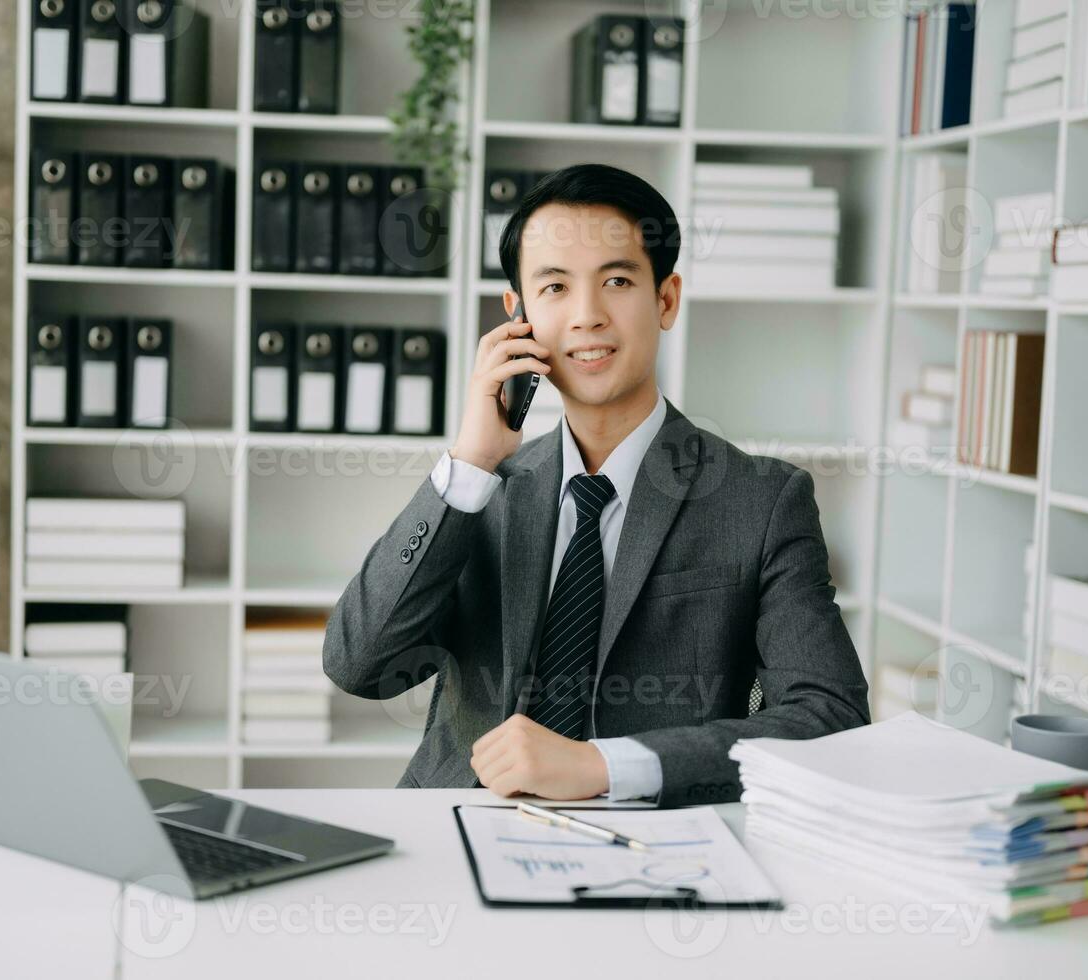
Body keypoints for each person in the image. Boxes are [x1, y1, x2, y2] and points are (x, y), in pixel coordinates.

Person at [324, 163, 869, 805]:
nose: (587, 316)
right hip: (459, 819)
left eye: (616, 280)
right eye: (554, 288)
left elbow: (829, 718)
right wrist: (469, 464)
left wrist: (604, 766)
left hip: (653, 841)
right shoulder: (478, 490)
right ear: (517, 314)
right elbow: (360, 665)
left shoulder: (761, 499)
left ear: (665, 299)